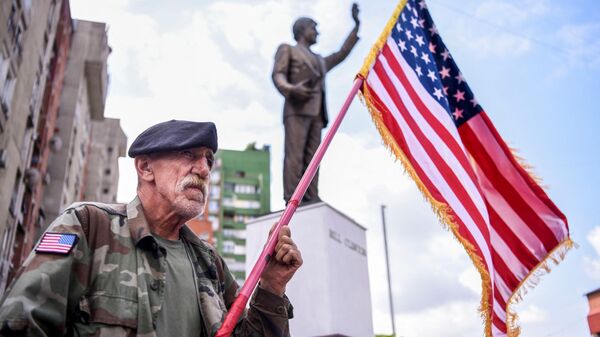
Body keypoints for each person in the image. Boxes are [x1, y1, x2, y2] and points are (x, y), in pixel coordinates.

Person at [0, 120, 302, 337]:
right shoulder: (88, 226)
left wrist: (272, 286)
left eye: (208, 160)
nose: (204, 170)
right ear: (145, 168)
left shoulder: (210, 264)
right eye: (189, 155)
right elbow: (20, 323)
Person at [272, 3, 360, 204]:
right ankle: (292, 197)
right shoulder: (288, 50)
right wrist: (291, 89)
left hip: (317, 113)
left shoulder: (320, 60)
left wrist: (356, 27)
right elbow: (278, 74)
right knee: (295, 155)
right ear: (303, 30)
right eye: (314, 28)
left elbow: (342, 53)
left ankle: (311, 196)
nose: (317, 32)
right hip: (296, 108)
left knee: (313, 159)